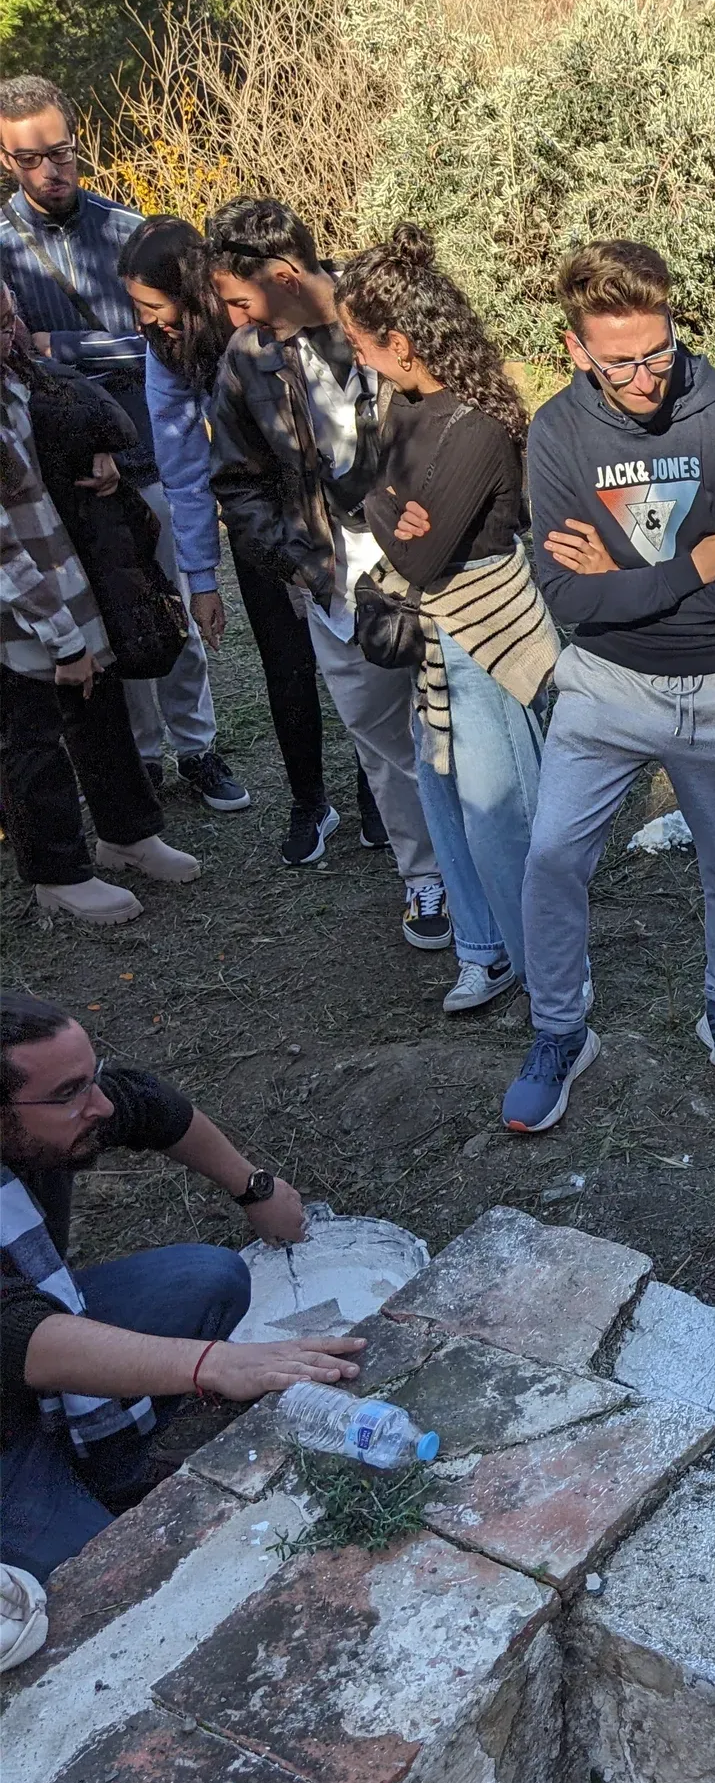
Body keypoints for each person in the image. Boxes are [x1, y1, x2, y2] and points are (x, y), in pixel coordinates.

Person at [507, 240, 715, 1130]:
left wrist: (619, 567)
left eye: (658, 351)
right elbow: (567, 598)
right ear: (576, 349)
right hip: (605, 683)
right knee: (551, 856)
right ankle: (558, 1031)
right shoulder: (556, 431)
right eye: (619, 360)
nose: (645, 375)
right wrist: (676, 567)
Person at [1, 992, 365, 1584]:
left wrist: (255, 1188)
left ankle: (111, 1467)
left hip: (32, 1337)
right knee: (111, 1584)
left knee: (208, 1279)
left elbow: (150, 1106)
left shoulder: (63, 1106)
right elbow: (17, 1337)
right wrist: (210, 1364)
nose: (98, 1104)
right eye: (69, 1094)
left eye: (90, 1078)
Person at [203, 196, 449, 946]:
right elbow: (236, 480)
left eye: (241, 300)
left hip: (437, 570)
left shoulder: (390, 309)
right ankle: (426, 880)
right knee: (382, 740)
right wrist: (296, 561)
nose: (236, 317)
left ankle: (501, 864)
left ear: (282, 276)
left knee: (462, 728)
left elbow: (467, 415)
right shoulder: (246, 362)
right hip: (335, 584)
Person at [0, 76, 247, 814]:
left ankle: (198, 746)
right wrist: (87, 357)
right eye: (29, 158)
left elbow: (168, 346)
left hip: (146, 458)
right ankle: (142, 761)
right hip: (59, 481)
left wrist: (68, 346)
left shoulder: (126, 231)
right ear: (7, 158)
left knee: (172, 608)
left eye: (62, 152)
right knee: (111, 621)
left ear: (79, 142)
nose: (50, 171)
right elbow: (20, 366)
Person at [337, 224, 559, 1015]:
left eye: (361, 343)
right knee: (443, 802)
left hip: (483, 640)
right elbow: (383, 503)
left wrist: (381, 501)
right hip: (434, 641)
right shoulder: (408, 402)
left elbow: (423, 557)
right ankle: (482, 950)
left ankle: (549, 978)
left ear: (400, 340)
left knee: (504, 820)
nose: (357, 358)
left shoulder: (476, 424)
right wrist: (390, 503)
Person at [121, 214, 376, 866]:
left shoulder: (268, 316)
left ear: (198, 292)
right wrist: (201, 580)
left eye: (153, 308)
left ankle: (379, 792)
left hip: (339, 509)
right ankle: (309, 802)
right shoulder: (168, 350)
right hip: (260, 514)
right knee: (286, 664)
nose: (146, 325)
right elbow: (181, 468)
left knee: (370, 649)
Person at [1, 276, 201, 922]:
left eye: (10, 317)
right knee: (33, 742)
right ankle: (56, 873)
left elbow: (48, 436)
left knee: (101, 714)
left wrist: (96, 451)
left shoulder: (12, 377)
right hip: (20, 613)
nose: (12, 334)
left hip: (67, 585)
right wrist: (61, 639)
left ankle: (127, 835)